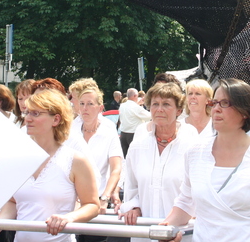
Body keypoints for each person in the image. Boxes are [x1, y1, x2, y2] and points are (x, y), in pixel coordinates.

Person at [161, 78, 250, 242]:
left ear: (245, 111)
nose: (216, 109)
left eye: (224, 103)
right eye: (214, 102)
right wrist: (165, 229)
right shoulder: (195, 153)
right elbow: (186, 203)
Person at [0, 89, 100, 242]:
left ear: (56, 120)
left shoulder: (75, 160)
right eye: (27, 113)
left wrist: (68, 218)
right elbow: (13, 202)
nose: (28, 119)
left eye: (35, 114)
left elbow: (92, 205)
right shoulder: (19, 159)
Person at [118, 83, 197, 242]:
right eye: (155, 104)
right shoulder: (138, 146)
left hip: (181, 234)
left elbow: (198, 193)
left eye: (166, 104)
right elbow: (131, 185)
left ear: (179, 111)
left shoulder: (192, 146)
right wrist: (134, 206)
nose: (159, 109)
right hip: (145, 233)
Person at [73, 86, 123, 242]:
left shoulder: (108, 132)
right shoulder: (70, 131)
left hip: (97, 201)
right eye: (81, 104)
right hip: (71, 202)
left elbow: (116, 168)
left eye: (90, 104)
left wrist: (105, 197)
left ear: (100, 107)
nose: (85, 108)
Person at [119, 88, 150, 157]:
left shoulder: (122, 105)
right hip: (133, 134)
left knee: (126, 157)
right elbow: (149, 116)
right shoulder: (135, 107)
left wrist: (138, 104)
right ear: (135, 96)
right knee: (136, 157)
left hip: (123, 134)